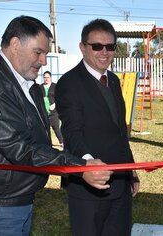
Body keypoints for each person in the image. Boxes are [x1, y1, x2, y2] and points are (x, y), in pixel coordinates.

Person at [0, 15, 112, 236]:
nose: (44, 61)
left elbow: (35, 135)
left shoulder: (21, 80)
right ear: (15, 44)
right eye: (38, 52)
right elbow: (21, 148)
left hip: (6, 197)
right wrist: (79, 167)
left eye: (45, 54)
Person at [55, 18, 140, 236]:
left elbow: (121, 131)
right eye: (97, 46)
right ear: (82, 48)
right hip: (88, 187)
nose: (105, 52)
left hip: (120, 185)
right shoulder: (69, 82)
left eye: (110, 46)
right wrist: (87, 165)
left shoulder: (113, 80)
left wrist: (131, 172)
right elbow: (72, 132)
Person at [40, 70, 64, 147]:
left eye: (47, 77)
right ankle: (48, 145)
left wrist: (55, 104)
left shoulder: (55, 86)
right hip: (44, 112)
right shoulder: (40, 87)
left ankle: (62, 143)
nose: (46, 79)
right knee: (45, 130)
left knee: (56, 128)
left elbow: (60, 97)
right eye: (44, 77)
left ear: (50, 77)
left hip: (53, 112)